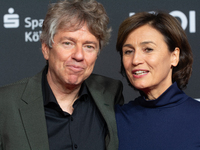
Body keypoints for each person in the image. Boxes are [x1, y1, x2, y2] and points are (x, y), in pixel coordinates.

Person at [0, 0, 124, 150]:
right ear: (46, 48)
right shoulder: (6, 103)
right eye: (68, 43)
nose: (79, 55)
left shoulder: (111, 93)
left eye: (89, 46)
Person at [115, 11, 200, 149]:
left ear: (174, 56)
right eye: (128, 51)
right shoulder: (114, 120)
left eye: (148, 49)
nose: (136, 60)